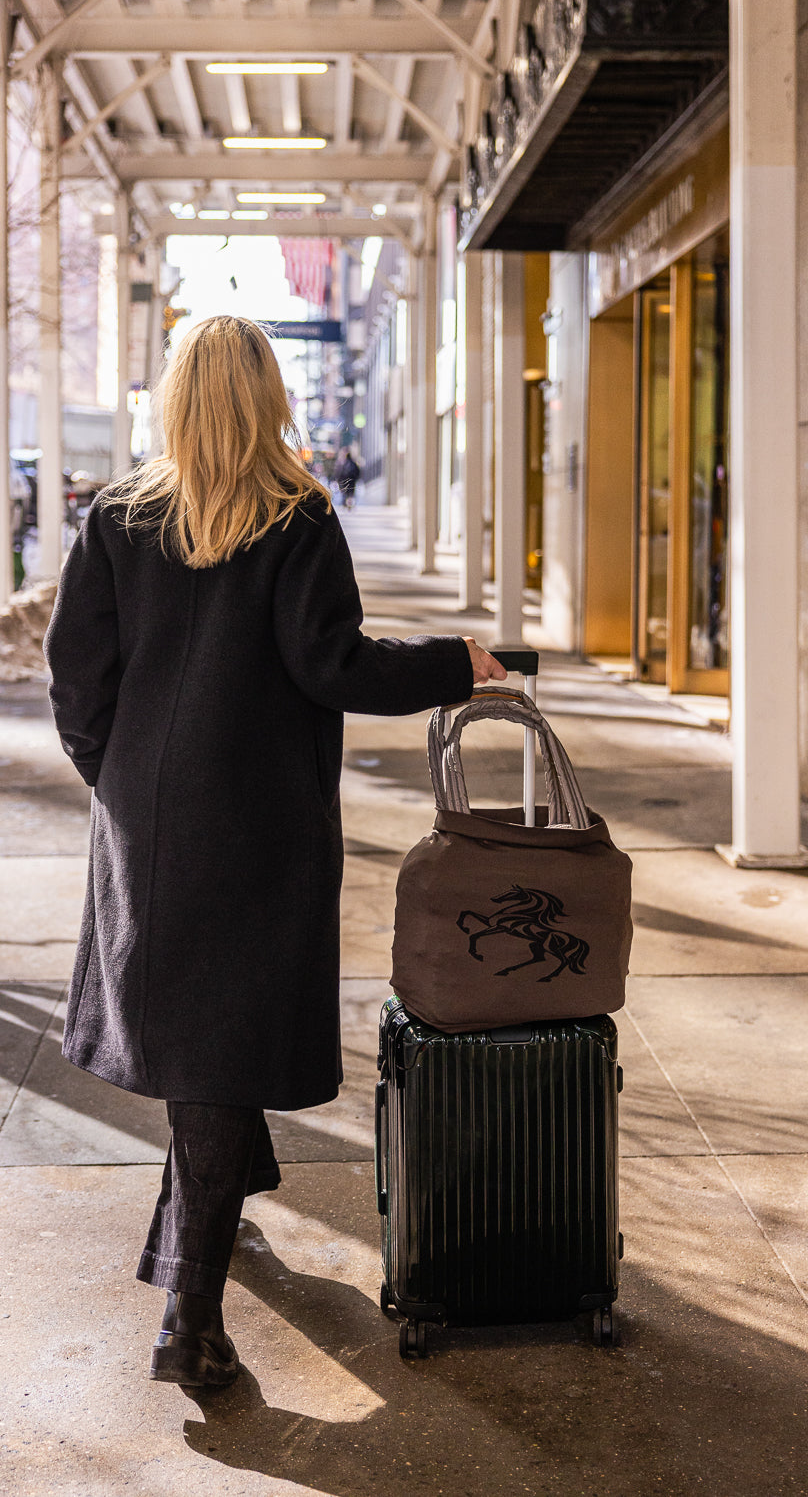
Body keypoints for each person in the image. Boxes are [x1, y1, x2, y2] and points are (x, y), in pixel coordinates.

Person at [43, 315, 506, 1390]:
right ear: (264, 398)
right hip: (256, 826)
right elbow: (334, 666)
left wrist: (119, 774)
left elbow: (77, 679)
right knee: (219, 1037)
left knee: (195, 1028)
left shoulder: (115, 516)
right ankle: (187, 1319)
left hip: (150, 824)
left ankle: (211, 1204)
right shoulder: (296, 517)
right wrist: (460, 663)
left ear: (174, 397)